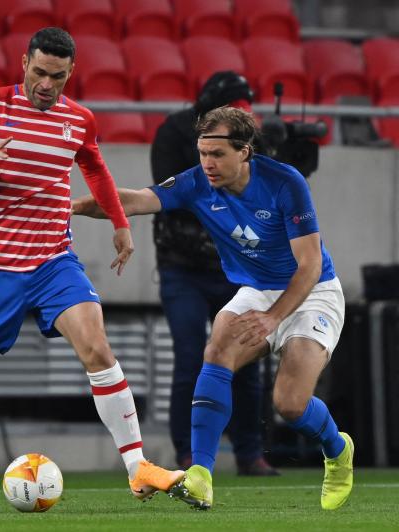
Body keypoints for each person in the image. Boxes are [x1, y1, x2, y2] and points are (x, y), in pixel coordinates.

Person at [0, 27, 183, 511]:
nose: (46, 84)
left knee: (96, 347)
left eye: (58, 77)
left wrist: (119, 223)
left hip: (53, 261)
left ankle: (137, 468)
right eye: (40, 72)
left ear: (72, 74)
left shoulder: (79, 120)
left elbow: (95, 169)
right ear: (24, 62)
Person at [73, 106, 354, 511]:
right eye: (203, 153)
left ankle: (337, 449)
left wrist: (274, 318)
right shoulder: (195, 183)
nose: (208, 163)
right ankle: (201, 475)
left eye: (218, 154)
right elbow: (133, 201)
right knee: (218, 346)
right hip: (257, 290)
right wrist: (76, 207)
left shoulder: (284, 182)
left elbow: (308, 265)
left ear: (245, 151)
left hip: (312, 292)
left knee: (290, 404)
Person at [151, 71, 277, 476]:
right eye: (238, 107)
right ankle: (188, 454)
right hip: (182, 267)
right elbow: (170, 198)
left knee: (249, 355)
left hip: (235, 267)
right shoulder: (173, 132)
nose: (246, 116)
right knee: (190, 356)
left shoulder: (248, 142)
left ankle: (249, 453)